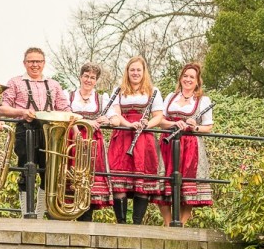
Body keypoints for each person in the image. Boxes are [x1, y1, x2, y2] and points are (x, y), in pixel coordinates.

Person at [0, 47, 72, 218]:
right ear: (24, 63)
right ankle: (26, 214)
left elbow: (64, 107)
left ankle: (38, 214)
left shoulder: (53, 84)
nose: (35, 65)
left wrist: (72, 118)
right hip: (25, 130)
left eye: (38, 61)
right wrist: (21, 112)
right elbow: (2, 107)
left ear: (44, 63)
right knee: (25, 172)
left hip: (49, 132)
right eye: (31, 61)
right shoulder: (14, 82)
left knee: (48, 173)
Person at [103, 56, 165, 225]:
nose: (135, 73)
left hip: (144, 139)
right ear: (127, 72)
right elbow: (116, 113)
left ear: (144, 72)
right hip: (123, 136)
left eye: (138, 70)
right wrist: (129, 124)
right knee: (119, 180)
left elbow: (158, 116)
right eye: (132, 70)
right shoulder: (119, 90)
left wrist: (146, 124)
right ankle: (121, 223)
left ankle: (137, 224)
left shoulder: (153, 91)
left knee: (142, 181)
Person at [157, 63, 214, 225]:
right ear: (181, 78)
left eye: (192, 77)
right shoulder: (170, 97)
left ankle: (181, 223)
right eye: (185, 76)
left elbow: (208, 127)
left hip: (191, 147)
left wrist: (193, 126)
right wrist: (174, 124)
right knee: (163, 183)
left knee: (188, 187)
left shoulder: (203, 100)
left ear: (197, 82)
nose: (188, 79)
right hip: (168, 144)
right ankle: (168, 224)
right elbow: (160, 121)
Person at [67, 64, 115, 221]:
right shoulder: (68, 96)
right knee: (70, 181)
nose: (89, 80)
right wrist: (86, 120)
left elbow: (114, 119)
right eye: (86, 76)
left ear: (96, 81)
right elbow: (62, 114)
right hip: (72, 140)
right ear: (80, 77)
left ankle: (85, 221)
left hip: (92, 142)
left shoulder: (102, 99)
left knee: (88, 182)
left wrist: (106, 119)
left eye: (92, 77)